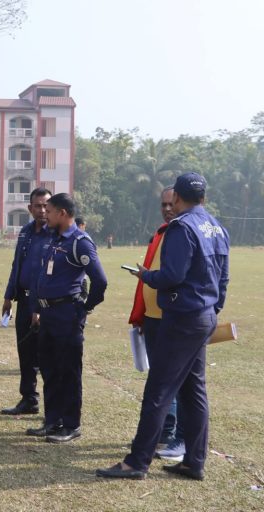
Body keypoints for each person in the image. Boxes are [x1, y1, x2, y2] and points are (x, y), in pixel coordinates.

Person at [97, 172, 229, 481]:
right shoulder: (217, 228)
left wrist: (145, 275)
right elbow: (223, 279)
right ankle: (194, 462)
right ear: (204, 198)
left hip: (182, 318)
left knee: (158, 390)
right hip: (204, 315)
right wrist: (212, 309)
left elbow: (171, 275)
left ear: (179, 198)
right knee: (194, 391)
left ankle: (136, 462)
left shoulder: (181, 228)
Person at [26, 193, 107, 443]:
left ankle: (71, 424)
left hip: (67, 314)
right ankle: (52, 421)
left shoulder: (79, 242)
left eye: (48, 211)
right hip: (48, 313)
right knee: (50, 369)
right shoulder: (53, 239)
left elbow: (100, 280)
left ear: (62, 213)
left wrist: (85, 308)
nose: (44, 215)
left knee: (68, 371)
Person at [127, 187, 184, 457]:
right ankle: (161, 432)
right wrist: (140, 315)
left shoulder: (185, 233)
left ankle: (168, 433)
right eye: (163, 204)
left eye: (172, 203)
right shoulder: (162, 233)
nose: (167, 208)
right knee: (158, 378)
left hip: (172, 319)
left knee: (169, 380)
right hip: (152, 318)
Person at [0, 188, 52, 416]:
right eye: (38, 206)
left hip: (45, 304)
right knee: (25, 353)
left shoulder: (56, 234)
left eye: (46, 206)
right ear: (30, 208)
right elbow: (17, 265)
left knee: (47, 357)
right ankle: (29, 399)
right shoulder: (26, 232)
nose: (42, 210)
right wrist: (8, 296)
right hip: (23, 300)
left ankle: (53, 408)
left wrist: (39, 306)